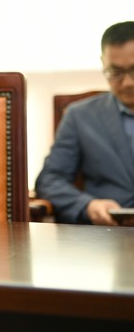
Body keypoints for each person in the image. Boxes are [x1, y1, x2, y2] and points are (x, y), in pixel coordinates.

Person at [35, 21, 134, 226]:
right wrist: (87, 205)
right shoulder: (80, 116)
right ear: (103, 63)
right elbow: (50, 180)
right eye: (115, 72)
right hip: (107, 233)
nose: (127, 83)